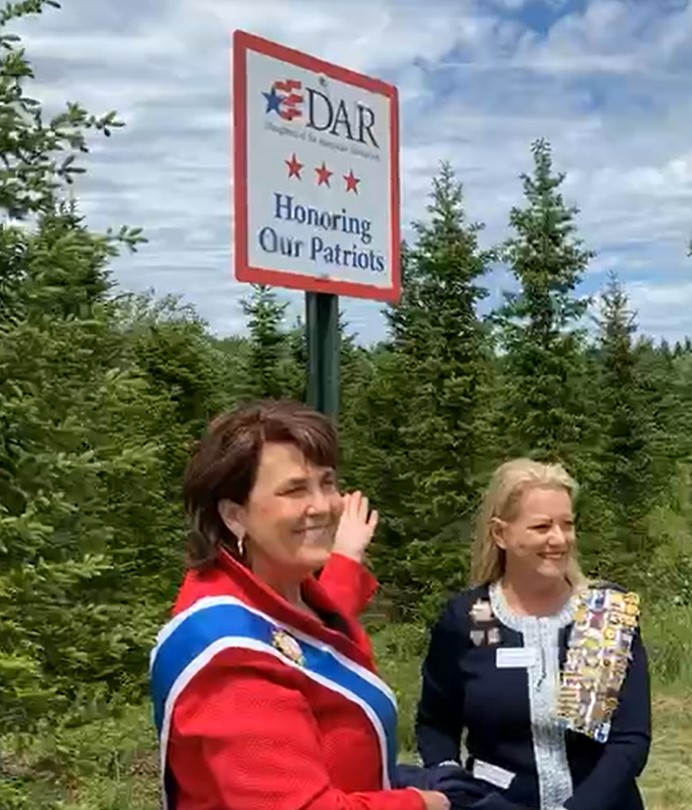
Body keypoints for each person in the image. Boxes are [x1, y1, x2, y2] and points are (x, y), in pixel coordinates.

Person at [149, 399, 455, 810]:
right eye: (295, 490)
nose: (324, 506)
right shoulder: (229, 658)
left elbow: (311, 640)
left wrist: (344, 561)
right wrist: (425, 803)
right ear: (234, 515)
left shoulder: (280, 592)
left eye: (327, 483)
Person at [415, 458, 651, 810]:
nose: (558, 539)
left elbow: (630, 739)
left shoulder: (605, 615)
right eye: (541, 527)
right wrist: (451, 785)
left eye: (567, 525)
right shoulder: (466, 618)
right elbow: (436, 723)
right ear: (500, 534)